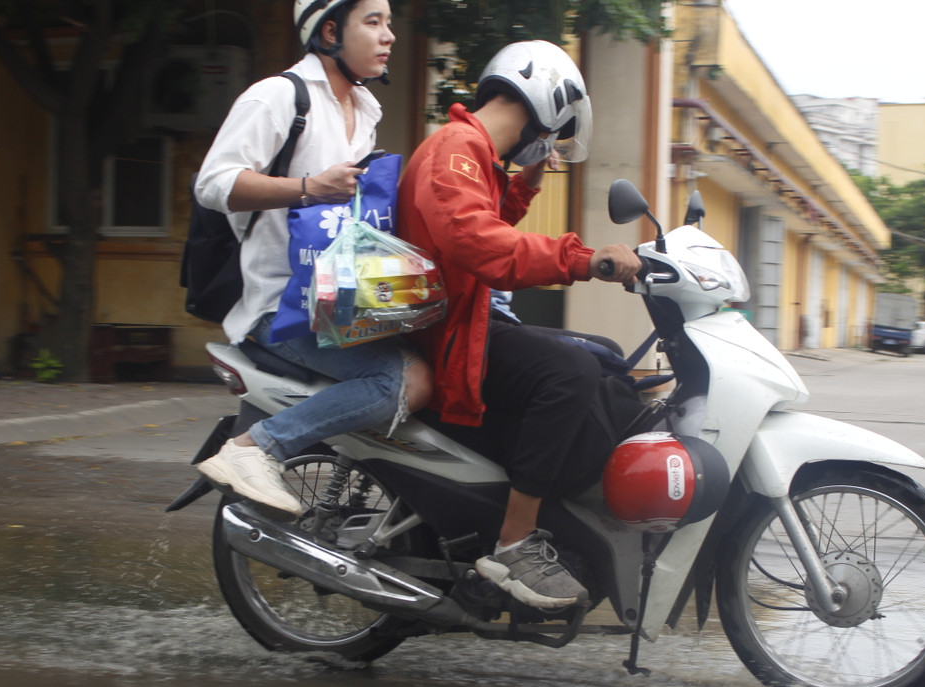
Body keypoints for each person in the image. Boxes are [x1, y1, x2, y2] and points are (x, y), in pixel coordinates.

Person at [397, 41, 642, 610]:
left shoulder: (473, 152)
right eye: (555, 133)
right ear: (546, 104)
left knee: (603, 357)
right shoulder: (457, 148)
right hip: (451, 333)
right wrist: (584, 259)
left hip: (464, 320)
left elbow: (477, 226)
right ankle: (515, 543)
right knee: (571, 370)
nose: (550, 144)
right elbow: (480, 245)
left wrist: (525, 183)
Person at [193, 0, 431, 520]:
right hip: (280, 306)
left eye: (389, 23)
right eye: (372, 22)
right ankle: (257, 448)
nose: (388, 35)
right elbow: (213, 184)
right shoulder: (280, 96)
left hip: (339, 301)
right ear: (329, 31)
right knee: (399, 382)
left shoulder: (365, 108)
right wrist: (308, 188)